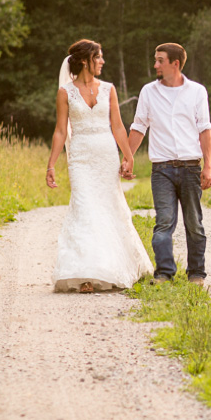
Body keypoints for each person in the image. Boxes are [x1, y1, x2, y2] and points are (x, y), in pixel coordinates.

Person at [46, 39, 153, 292]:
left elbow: (117, 125)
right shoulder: (65, 92)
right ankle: (85, 275)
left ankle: (112, 266)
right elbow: (61, 131)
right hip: (81, 158)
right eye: (99, 57)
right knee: (85, 209)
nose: (103, 61)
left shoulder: (108, 89)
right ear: (85, 60)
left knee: (108, 208)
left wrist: (128, 156)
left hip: (106, 155)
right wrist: (51, 165)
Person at [126, 42, 211, 286]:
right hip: (161, 169)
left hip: (190, 167)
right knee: (164, 222)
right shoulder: (148, 92)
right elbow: (139, 126)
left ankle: (196, 273)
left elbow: (204, 129)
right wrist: (128, 158)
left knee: (194, 223)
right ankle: (164, 273)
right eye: (155, 59)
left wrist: (208, 167)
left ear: (175, 63)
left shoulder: (197, 91)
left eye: (160, 60)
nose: (155, 64)